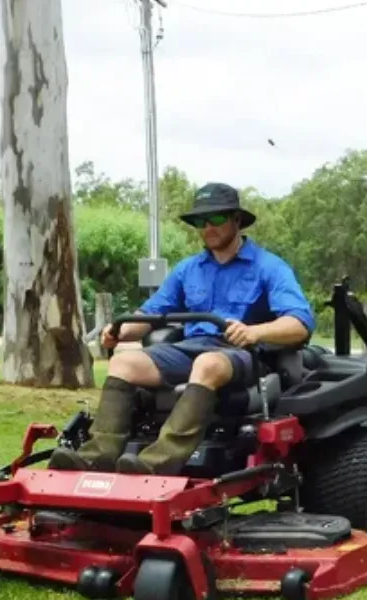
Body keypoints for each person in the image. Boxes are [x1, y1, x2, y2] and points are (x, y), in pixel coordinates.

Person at [49, 182, 315, 476]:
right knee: (125, 361)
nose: (207, 228)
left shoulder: (270, 267)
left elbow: (299, 323)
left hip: (241, 354)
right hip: (189, 349)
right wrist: (121, 330)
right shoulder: (188, 269)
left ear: (237, 220)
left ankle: (159, 461)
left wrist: (254, 332)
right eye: (200, 222)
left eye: (215, 219)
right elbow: (151, 312)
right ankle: (96, 455)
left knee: (207, 362)